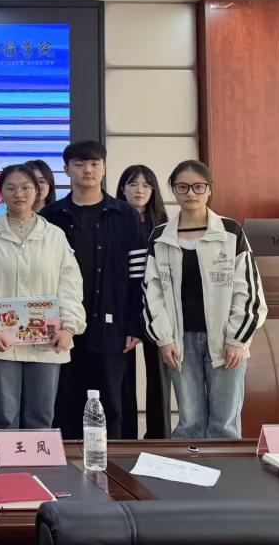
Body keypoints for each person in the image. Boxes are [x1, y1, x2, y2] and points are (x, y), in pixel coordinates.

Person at [142, 160, 266, 439]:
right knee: (189, 422)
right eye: (183, 187)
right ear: (173, 190)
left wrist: (237, 339)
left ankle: (224, 469)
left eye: (199, 186)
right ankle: (189, 468)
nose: (191, 193)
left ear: (209, 190)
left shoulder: (230, 232)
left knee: (224, 424)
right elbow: (152, 292)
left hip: (225, 339)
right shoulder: (160, 237)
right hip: (180, 341)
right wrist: (164, 339)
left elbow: (248, 290)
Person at [40, 140, 146, 439]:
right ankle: (66, 461)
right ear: (66, 170)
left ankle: (110, 462)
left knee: (111, 401)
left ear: (104, 167)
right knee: (64, 400)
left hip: (111, 324)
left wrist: (134, 323)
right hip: (62, 325)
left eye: (94, 163)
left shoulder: (124, 214)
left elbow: (138, 274)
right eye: (79, 164)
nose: (88, 170)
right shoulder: (51, 216)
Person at [0, 164, 86, 431]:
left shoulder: (54, 235)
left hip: (47, 341)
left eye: (26, 187)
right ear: (0, 192)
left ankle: (37, 461)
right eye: (11, 188)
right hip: (0, 341)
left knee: (41, 417)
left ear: (38, 191)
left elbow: (70, 285)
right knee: (4, 417)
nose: (19, 194)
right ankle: (3, 462)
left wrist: (69, 327)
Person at [117, 164, 171, 439]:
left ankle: (159, 437)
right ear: (122, 189)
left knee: (159, 377)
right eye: (133, 184)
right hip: (124, 307)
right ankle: (126, 437)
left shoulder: (165, 226)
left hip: (158, 309)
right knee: (123, 378)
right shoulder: (114, 222)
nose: (140, 190)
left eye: (146, 185)